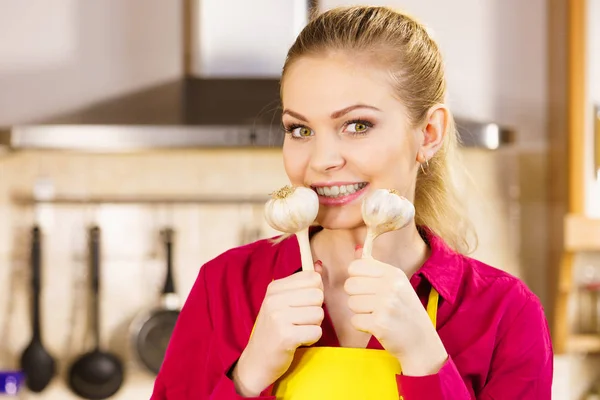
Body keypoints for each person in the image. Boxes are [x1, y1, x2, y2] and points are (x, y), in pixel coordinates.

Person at [150, 5, 553, 399]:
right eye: (300, 129)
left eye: (357, 125)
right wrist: (247, 378)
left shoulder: (505, 313)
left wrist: (426, 361)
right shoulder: (225, 286)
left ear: (429, 133)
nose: (322, 159)